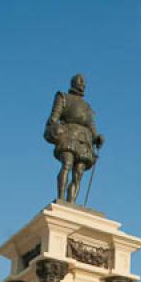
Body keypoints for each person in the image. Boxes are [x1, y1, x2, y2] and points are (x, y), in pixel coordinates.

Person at [44, 74, 104, 203]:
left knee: (78, 175)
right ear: (73, 83)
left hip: (85, 140)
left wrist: (97, 137)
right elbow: (54, 118)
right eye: (80, 81)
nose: (83, 84)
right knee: (67, 165)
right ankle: (61, 199)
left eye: (84, 82)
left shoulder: (87, 107)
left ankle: (71, 203)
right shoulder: (63, 97)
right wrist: (54, 128)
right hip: (69, 135)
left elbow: (92, 126)